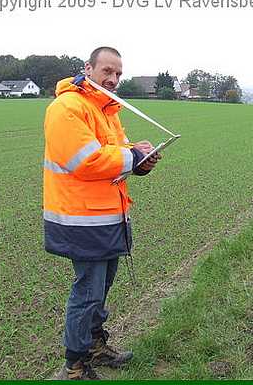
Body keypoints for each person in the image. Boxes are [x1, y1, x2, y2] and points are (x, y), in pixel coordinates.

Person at [44, 46, 161, 380]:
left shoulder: (106, 109)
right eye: (107, 71)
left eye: (118, 73)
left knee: (100, 290)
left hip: (109, 216)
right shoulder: (67, 107)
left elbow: (118, 155)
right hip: (82, 220)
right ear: (88, 68)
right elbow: (86, 160)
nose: (113, 79)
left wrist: (140, 162)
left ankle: (95, 345)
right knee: (87, 293)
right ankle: (74, 365)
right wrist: (132, 157)